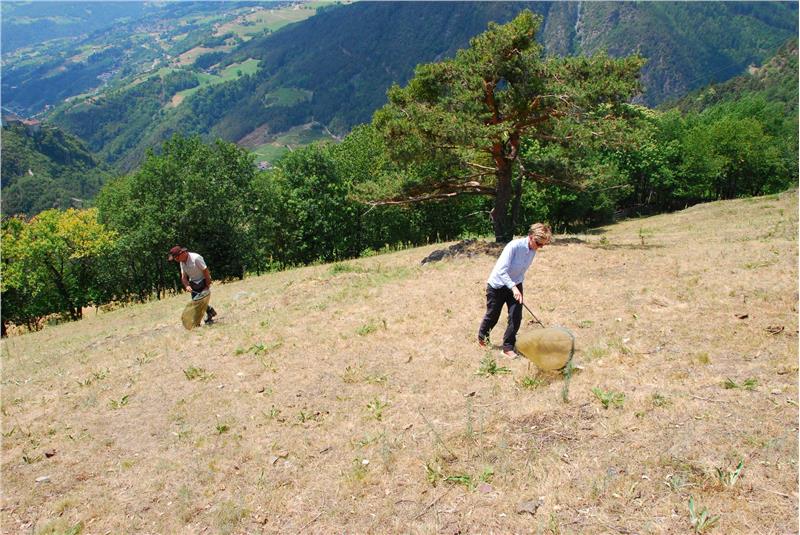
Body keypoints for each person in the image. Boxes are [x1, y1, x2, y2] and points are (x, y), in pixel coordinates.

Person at [477, 223, 552, 358]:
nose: (539, 247)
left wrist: (516, 287)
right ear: (530, 236)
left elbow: (520, 271)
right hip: (497, 285)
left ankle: (508, 347)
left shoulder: (533, 250)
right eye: (538, 243)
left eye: (543, 245)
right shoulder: (514, 246)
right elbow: (501, 271)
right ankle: (482, 337)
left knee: (516, 316)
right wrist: (513, 287)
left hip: (516, 285)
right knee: (493, 315)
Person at [168, 245, 217, 324]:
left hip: (203, 280)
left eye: (176, 258)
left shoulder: (196, 258)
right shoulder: (181, 262)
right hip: (193, 283)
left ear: (182, 253)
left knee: (198, 302)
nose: (176, 260)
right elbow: (184, 277)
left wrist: (207, 285)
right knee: (197, 302)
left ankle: (200, 321)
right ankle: (210, 310)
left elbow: (206, 271)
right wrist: (187, 286)